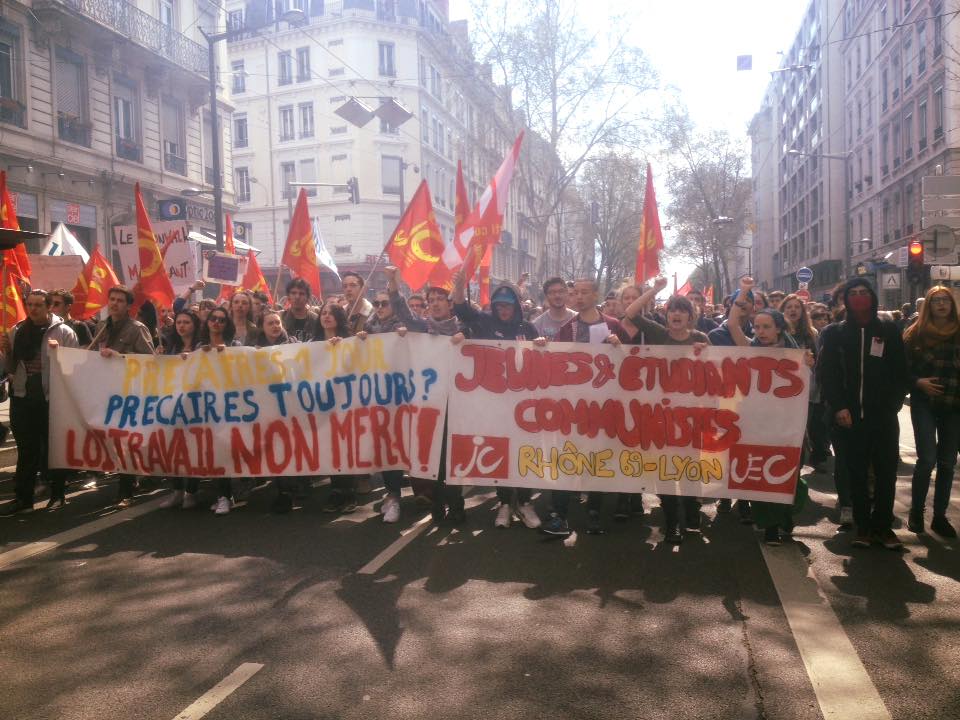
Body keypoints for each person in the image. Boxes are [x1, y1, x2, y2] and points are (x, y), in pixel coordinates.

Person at [619, 277, 711, 543]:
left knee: (691, 466)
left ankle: (692, 513)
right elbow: (630, 313)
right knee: (667, 471)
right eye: (672, 310)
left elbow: (716, 374)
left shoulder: (701, 339)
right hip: (663, 417)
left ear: (691, 316)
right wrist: (655, 290)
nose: (677, 314)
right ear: (666, 315)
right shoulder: (659, 334)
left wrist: (705, 354)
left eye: (682, 310)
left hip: (692, 417)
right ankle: (673, 523)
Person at [819, 278, 909, 550]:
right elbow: (828, 374)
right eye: (853, 294)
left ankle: (883, 527)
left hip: (883, 417)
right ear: (845, 300)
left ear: (872, 296)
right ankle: (864, 527)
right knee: (856, 473)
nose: (858, 298)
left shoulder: (889, 330)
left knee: (885, 472)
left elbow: (900, 371)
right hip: (849, 418)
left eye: (863, 293)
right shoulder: (834, 333)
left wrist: (891, 405)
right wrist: (839, 407)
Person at [452, 270, 544, 529]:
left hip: (523, 404)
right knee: (503, 451)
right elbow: (460, 308)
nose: (504, 310)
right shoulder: (483, 322)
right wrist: (459, 285)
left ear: (517, 306)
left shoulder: (528, 328)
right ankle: (504, 502)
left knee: (523, 452)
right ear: (494, 305)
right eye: (500, 305)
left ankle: (525, 502)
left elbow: (541, 360)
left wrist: (540, 345)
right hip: (492, 403)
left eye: (509, 305)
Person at [543, 278, 634, 536]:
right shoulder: (568, 328)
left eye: (584, 292)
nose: (579, 297)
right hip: (573, 406)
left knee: (596, 459)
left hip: (604, 407)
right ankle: (559, 515)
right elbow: (555, 362)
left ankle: (594, 511)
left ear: (596, 295)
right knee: (567, 457)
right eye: (575, 293)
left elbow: (635, 363)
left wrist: (620, 348)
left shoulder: (614, 326)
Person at [728, 291, 813, 545]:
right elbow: (733, 324)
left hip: (788, 425)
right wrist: (744, 291)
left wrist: (807, 365)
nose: (760, 331)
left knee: (789, 472)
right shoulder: (750, 350)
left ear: (778, 329)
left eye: (766, 326)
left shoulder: (795, 354)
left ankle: (784, 513)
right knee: (762, 474)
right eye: (756, 326)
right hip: (756, 424)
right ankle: (771, 526)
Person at [387, 267, 467, 523]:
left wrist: (467, 338)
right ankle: (438, 505)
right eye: (430, 300)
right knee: (436, 458)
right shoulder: (422, 327)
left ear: (450, 303)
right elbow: (401, 311)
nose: (433, 304)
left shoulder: (464, 327)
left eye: (439, 299)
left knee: (452, 457)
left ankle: (456, 506)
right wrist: (392, 283)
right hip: (429, 405)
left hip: (456, 404)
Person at [0, 290, 79, 515]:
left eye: (38, 305)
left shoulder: (64, 332)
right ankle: (23, 498)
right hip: (23, 398)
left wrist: (58, 353)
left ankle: (57, 494)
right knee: (27, 450)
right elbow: (10, 369)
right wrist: (5, 352)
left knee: (53, 448)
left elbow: (74, 367)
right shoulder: (17, 331)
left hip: (51, 399)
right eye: (30, 305)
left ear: (48, 308)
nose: (33, 309)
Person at [89, 285, 155, 507]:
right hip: (106, 391)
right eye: (112, 299)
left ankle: (126, 490)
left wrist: (120, 357)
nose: (114, 303)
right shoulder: (101, 326)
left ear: (128, 306)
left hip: (129, 393)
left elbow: (150, 361)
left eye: (119, 300)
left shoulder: (137, 329)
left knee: (125, 440)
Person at [903, 286, 960, 538]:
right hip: (924, 402)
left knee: (947, 462)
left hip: (954, 404)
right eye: (935, 300)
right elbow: (901, 370)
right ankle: (916, 511)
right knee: (927, 459)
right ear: (928, 305)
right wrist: (918, 382)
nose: (941, 304)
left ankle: (939, 516)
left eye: (945, 300)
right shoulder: (915, 334)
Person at [252, 310, 302, 513]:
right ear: (262, 327)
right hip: (266, 406)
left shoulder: (293, 344)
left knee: (289, 447)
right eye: (270, 323)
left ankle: (290, 491)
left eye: (277, 322)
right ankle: (283, 490)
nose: (274, 326)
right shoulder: (252, 349)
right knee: (276, 448)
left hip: (290, 404)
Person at [317, 300, 361, 513]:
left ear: (338, 318)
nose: (326, 316)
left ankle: (348, 492)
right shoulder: (311, 344)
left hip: (346, 403)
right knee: (330, 448)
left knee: (345, 446)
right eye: (323, 313)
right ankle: (336, 490)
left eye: (331, 313)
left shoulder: (348, 341)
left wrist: (355, 342)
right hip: (322, 404)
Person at [159, 310, 202, 510]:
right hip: (173, 404)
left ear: (194, 325)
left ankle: (191, 492)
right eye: (179, 322)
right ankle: (176, 491)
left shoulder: (201, 346)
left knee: (194, 449)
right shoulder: (170, 347)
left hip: (197, 404)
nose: (181, 325)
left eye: (186, 322)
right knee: (175, 448)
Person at [781, 294, 828, 469]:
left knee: (802, 431)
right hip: (782, 392)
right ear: (783, 311)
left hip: (806, 390)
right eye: (789, 307)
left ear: (802, 311)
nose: (793, 310)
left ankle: (799, 467)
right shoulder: (777, 334)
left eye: (797, 307)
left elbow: (817, 363)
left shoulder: (811, 333)